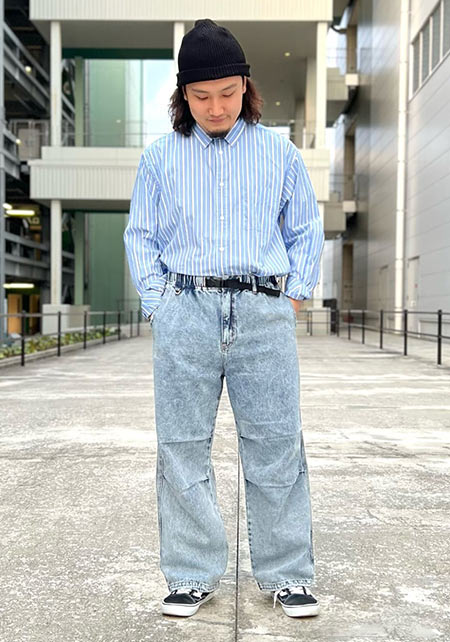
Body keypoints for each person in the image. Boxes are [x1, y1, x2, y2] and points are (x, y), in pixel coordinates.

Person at [123, 18, 324, 619]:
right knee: (181, 446)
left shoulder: (279, 152)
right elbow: (141, 235)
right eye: (202, 95)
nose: (217, 107)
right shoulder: (159, 159)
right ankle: (190, 574)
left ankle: (287, 574)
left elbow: (305, 228)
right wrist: (160, 305)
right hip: (186, 309)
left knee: (276, 443)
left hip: (262, 310)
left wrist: (292, 298)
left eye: (228, 93)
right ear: (184, 95)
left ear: (246, 87)